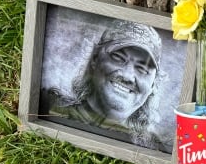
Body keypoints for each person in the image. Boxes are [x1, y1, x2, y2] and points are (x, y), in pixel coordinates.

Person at [41, 20, 171, 152]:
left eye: (142, 69)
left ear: (153, 84)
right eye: (118, 58)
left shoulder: (155, 149)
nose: (127, 76)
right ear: (95, 58)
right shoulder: (47, 109)